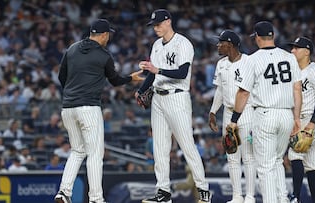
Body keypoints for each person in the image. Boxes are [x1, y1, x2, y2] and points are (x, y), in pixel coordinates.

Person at [54, 19, 144, 203]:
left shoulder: (71, 49)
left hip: (68, 107)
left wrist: (73, 92)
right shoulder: (104, 55)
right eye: (108, 34)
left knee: (77, 151)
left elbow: (61, 76)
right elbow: (115, 80)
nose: (109, 37)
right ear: (104, 35)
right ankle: (96, 198)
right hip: (88, 107)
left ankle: (64, 192)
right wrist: (130, 78)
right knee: (95, 154)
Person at [135, 9, 211, 203]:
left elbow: (182, 73)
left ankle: (203, 190)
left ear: (168, 21)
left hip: (177, 98)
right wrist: (141, 89)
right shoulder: (156, 45)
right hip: (158, 99)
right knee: (160, 148)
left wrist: (156, 69)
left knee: (187, 145)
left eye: (159, 24)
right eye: (154, 25)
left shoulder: (183, 43)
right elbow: (152, 75)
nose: (156, 28)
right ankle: (163, 192)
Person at [227, 21, 302, 203]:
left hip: (265, 115)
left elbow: (244, 92)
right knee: (277, 161)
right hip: (286, 115)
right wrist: (297, 118)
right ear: (273, 36)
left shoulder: (252, 59)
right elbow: (297, 89)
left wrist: (234, 118)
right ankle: (283, 199)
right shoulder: (289, 57)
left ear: (258, 38)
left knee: (265, 167)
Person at [208, 30, 256, 203]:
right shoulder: (221, 64)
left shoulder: (249, 61)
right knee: (232, 155)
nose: (218, 45)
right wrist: (213, 111)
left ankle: (250, 196)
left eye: (221, 43)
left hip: (247, 111)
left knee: (248, 156)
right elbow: (220, 90)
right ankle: (237, 196)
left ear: (231, 44)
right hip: (228, 112)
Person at [287, 37, 315, 203]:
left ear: (307, 51)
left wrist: (312, 124)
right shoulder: (292, 72)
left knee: (295, 151)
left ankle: (295, 197)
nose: (293, 51)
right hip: (300, 120)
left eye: (296, 48)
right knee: (311, 165)